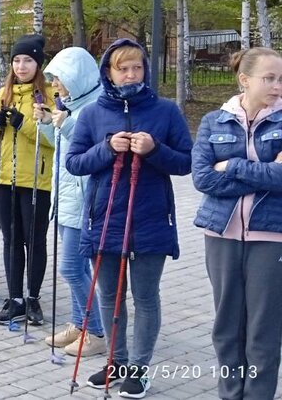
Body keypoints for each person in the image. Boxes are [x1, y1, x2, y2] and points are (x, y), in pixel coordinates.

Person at [66, 39, 192, 397]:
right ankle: (115, 361)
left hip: (151, 218)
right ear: (109, 72)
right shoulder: (92, 113)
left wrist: (155, 150)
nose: (130, 74)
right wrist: (106, 148)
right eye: (123, 68)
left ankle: (139, 368)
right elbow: (74, 163)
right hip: (105, 218)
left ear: (145, 70)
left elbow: (185, 161)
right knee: (109, 295)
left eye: (137, 67)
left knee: (146, 295)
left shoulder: (166, 110)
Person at [192, 47, 282, 400]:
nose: (277, 86)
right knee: (227, 327)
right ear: (244, 80)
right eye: (269, 78)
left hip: (271, 237)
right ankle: (231, 394)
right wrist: (266, 172)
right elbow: (202, 179)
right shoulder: (214, 122)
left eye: (281, 79)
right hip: (221, 235)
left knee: (263, 329)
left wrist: (230, 166)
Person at [37, 47, 106, 357]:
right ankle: (80, 324)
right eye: (53, 80)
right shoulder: (70, 105)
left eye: (60, 79)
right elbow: (62, 144)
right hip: (65, 198)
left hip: (83, 201)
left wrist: (63, 122)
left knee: (72, 269)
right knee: (75, 267)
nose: (55, 86)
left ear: (76, 78)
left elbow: (93, 149)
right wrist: (46, 124)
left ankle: (97, 331)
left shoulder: (96, 106)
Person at [0, 34, 55, 326]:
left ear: (38, 63)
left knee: (33, 240)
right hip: (3, 176)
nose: (21, 66)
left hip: (35, 179)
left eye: (28, 60)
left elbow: (52, 140)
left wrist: (24, 124)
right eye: (16, 60)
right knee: (11, 239)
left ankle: (33, 298)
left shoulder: (49, 95)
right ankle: (14, 298)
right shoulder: (4, 93)